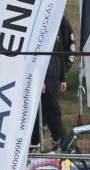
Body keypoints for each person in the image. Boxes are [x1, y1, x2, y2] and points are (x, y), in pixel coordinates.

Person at [32, 15, 75, 150]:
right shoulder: (37, 24)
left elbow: (61, 51)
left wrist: (62, 78)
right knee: (51, 114)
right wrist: (39, 79)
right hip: (43, 79)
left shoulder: (58, 23)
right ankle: (64, 145)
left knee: (46, 114)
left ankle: (35, 144)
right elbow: (33, 57)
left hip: (55, 78)